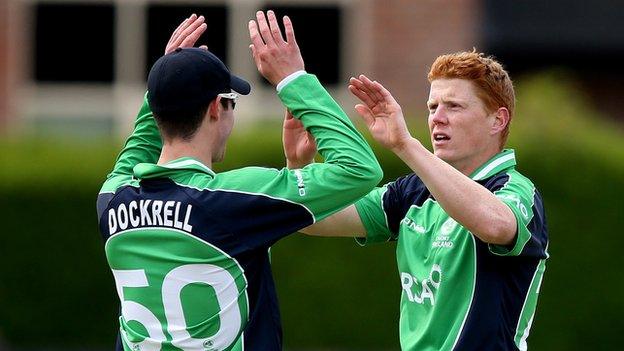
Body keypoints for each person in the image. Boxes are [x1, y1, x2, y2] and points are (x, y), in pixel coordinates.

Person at [96, 11, 382, 351]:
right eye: (231, 103)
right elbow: (360, 168)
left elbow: (138, 149)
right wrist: (294, 80)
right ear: (217, 107)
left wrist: (164, 83)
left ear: (156, 112)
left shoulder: (112, 199)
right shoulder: (234, 199)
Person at [286, 51, 549, 350]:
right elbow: (316, 218)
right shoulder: (413, 192)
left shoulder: (515, 189)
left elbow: (496, 226)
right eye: (432, 106)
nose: (437, 118)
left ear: (497, 120)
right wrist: (298, 166)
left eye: (454, 106)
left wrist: (405, 144)